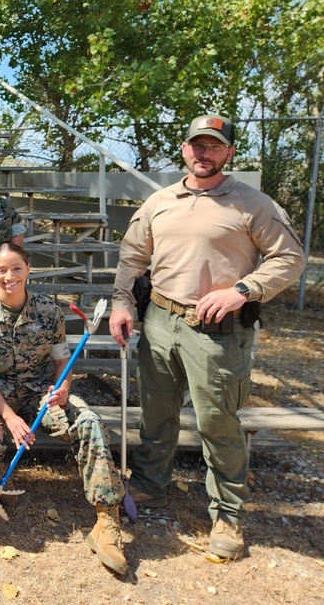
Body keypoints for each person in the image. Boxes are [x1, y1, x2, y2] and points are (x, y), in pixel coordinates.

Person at [110, 114, 305, 561]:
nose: (204, 153)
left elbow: (290, 258)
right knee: (156, 414)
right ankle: (150, 485)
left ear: (229, 153)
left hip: (217, 332)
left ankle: (228, 514)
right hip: (160, 320)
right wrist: (123, 302)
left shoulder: (252, 204)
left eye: (214, 146)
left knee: (218, 423)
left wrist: (243, 290)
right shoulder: (161, 201)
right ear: (184, 149)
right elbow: (132, 255)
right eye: (197, 145)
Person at [0, 243, 127, 575]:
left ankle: (106, 520)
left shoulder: (50, 312)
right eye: (2, 270)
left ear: (28, 269)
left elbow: (63, 361)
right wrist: (9, 416)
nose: (9, 276)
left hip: (39, 392)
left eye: (16, 268)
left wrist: (63, 388)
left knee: (88, 420)